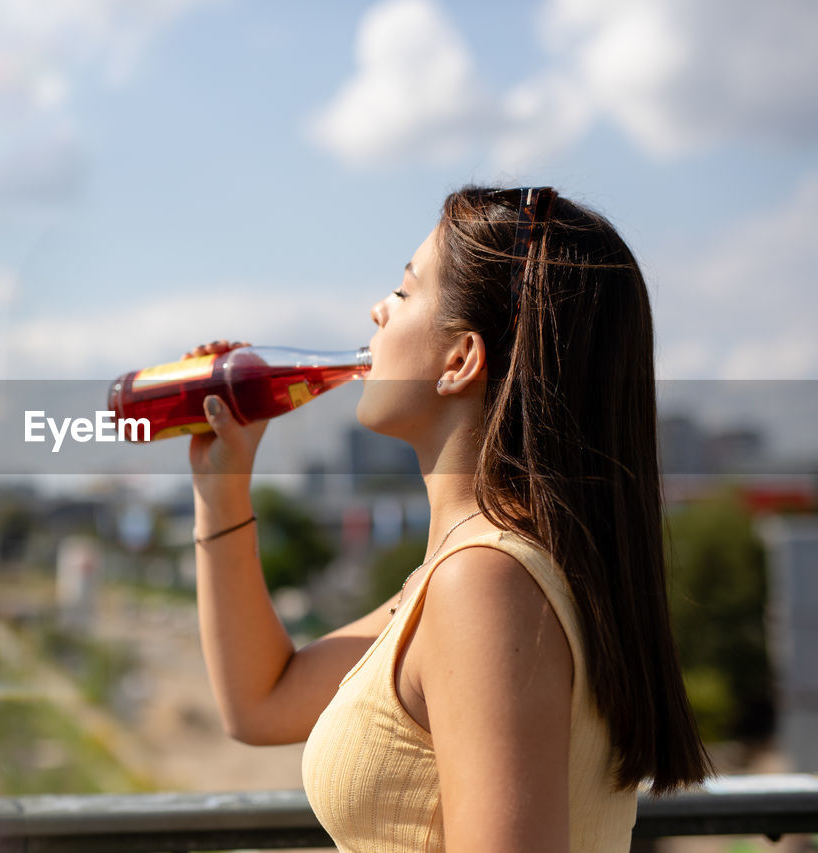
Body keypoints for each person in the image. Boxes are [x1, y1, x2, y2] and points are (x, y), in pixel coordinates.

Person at [184, 186, 710, 852]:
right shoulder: (472, 572)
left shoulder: (487, 584)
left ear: (460, 359)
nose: (377, 309)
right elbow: (261, 700)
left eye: (404, 292)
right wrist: (223, 484)